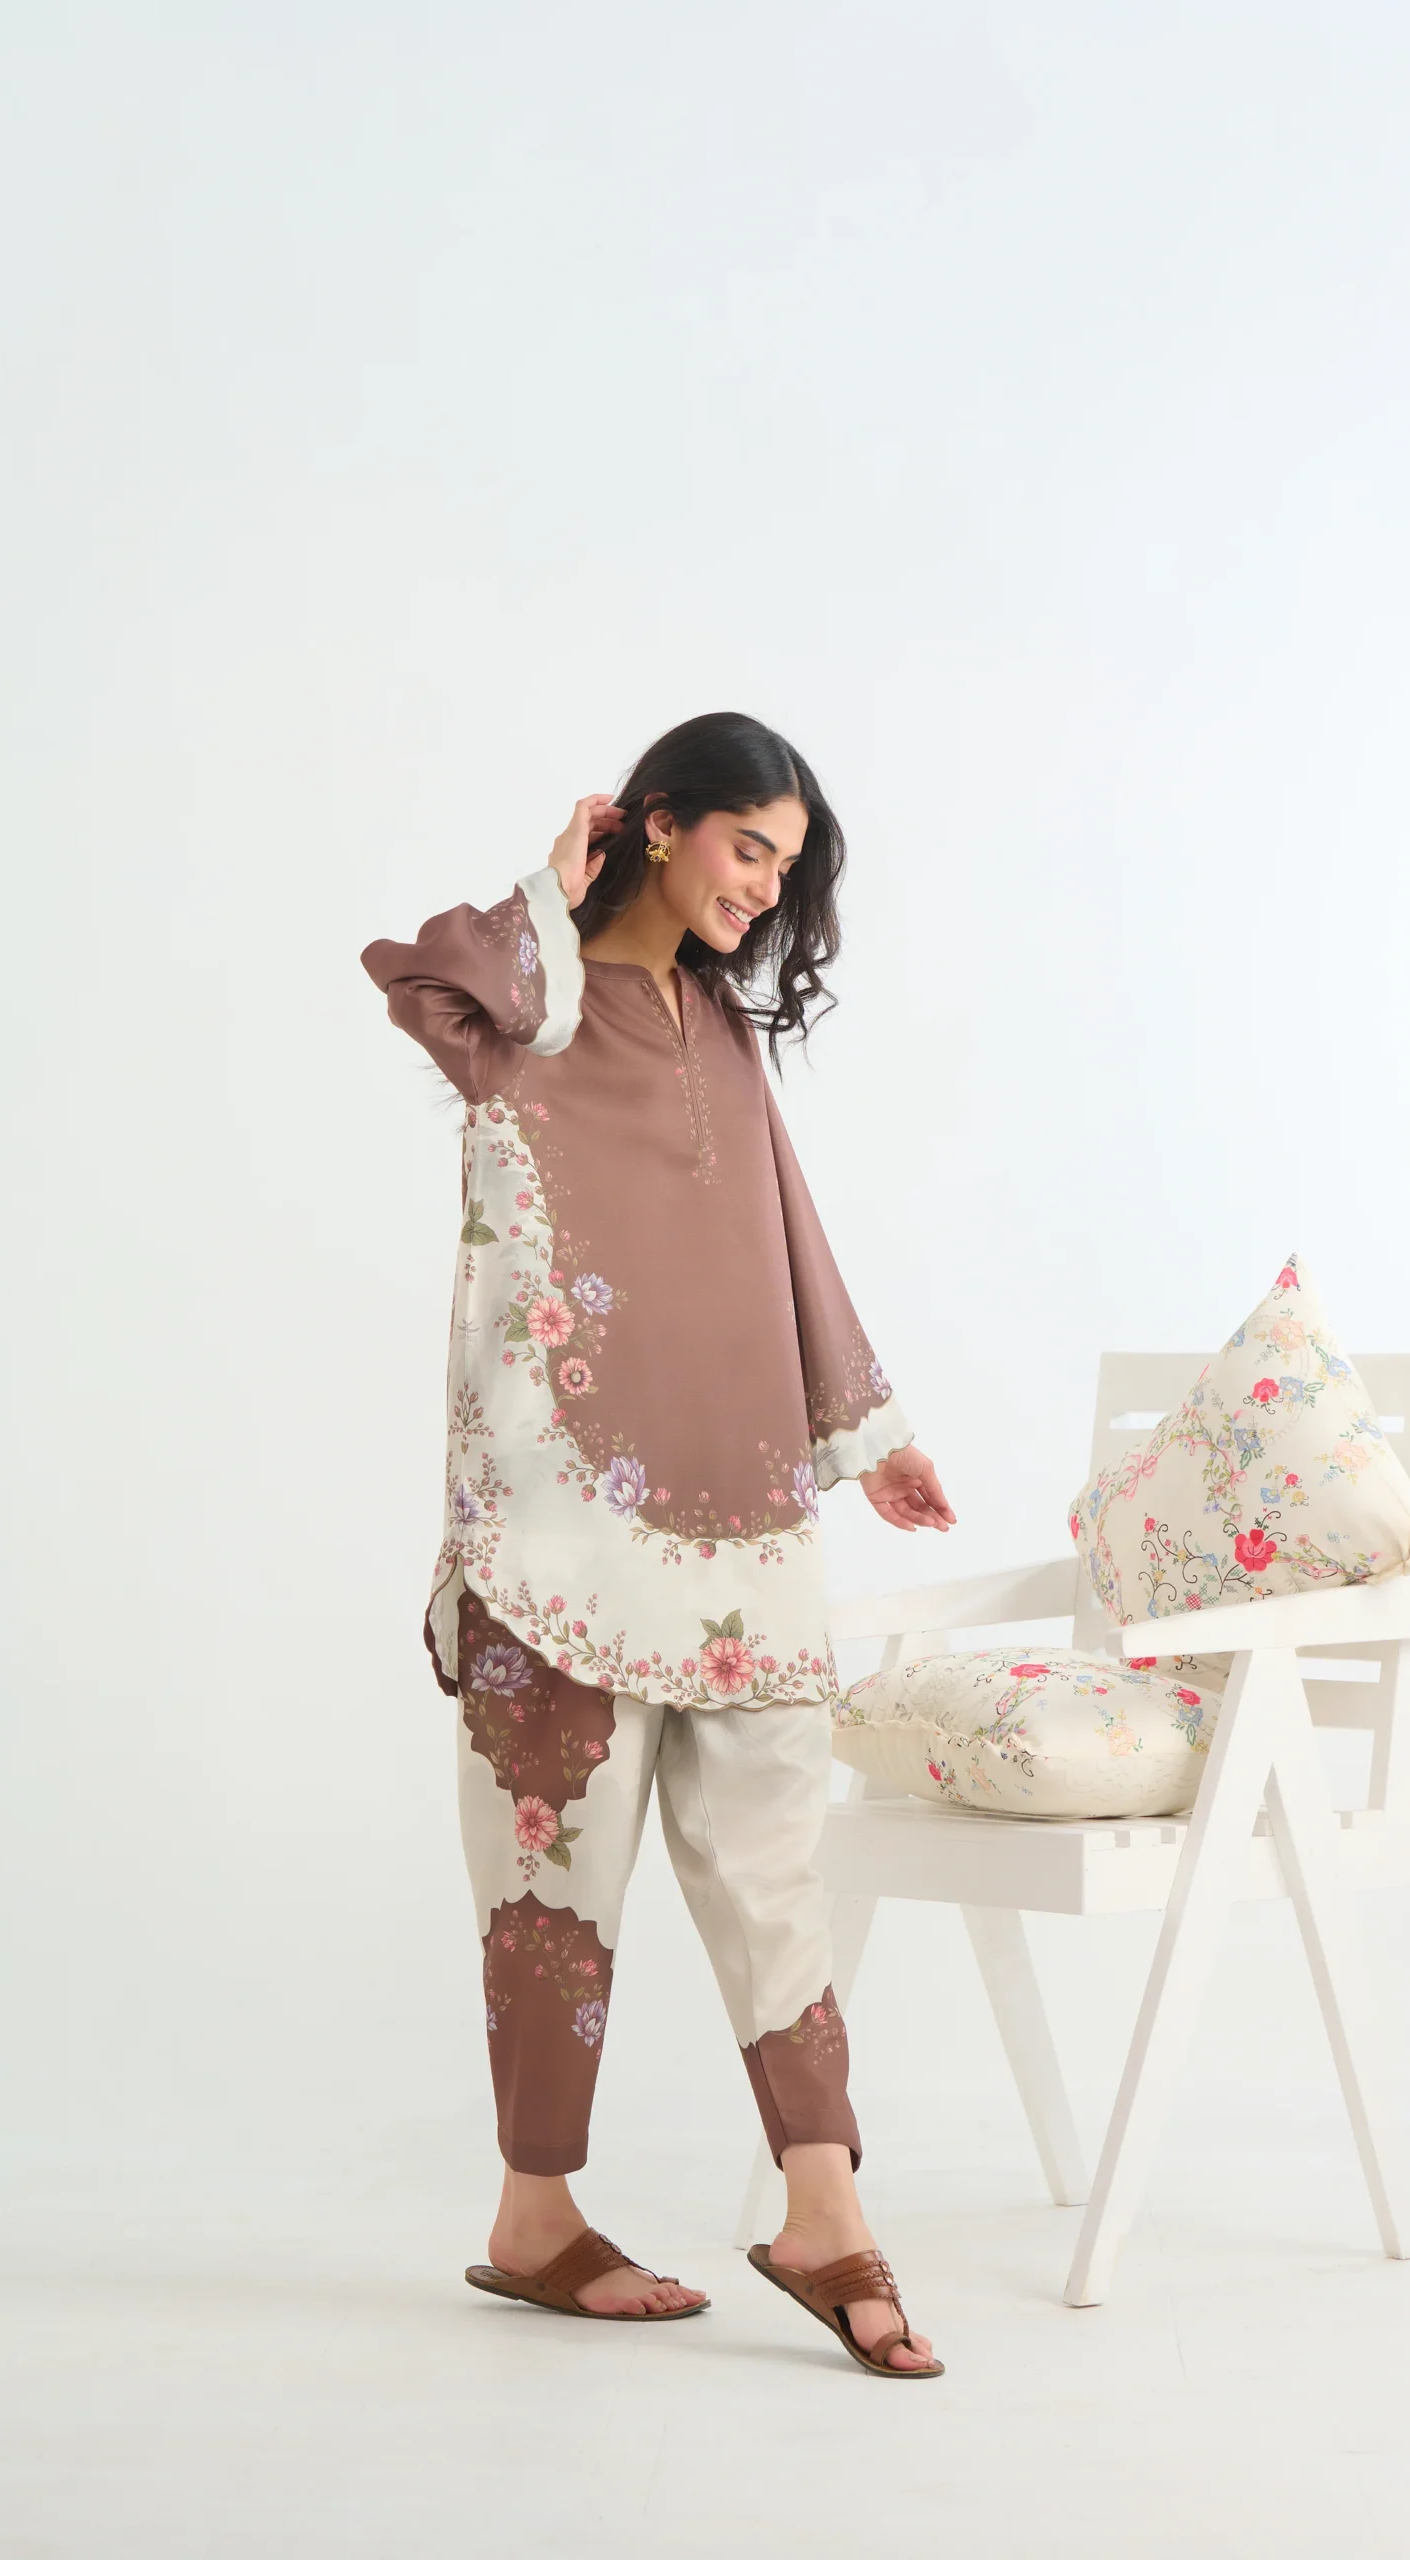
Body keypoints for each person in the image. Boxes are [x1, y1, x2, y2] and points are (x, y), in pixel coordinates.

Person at [361, 710, 953, 2377]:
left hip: (741, 1514)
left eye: (785, 865)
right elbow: (428, 987)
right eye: (747, 846)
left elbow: (785, 1227)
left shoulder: (722, 1028)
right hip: (551, 1532)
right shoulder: (527, 1012)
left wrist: (868, 1433)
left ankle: (822, 2213)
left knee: (773, 1865)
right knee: (553, 1882)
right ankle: (533, 2220)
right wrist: (545, 894)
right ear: (660, 821)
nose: (763, 889)